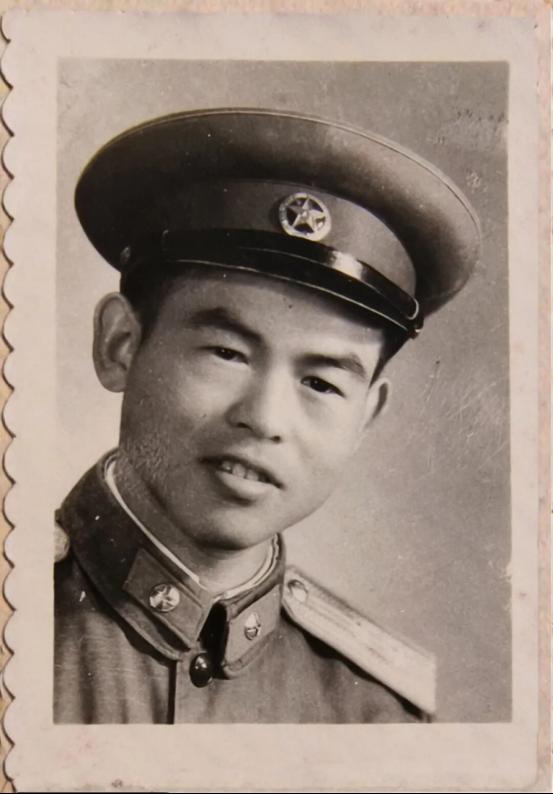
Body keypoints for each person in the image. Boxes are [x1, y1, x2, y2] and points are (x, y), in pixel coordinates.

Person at [54, 108, 480, 724]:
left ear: (366, 418)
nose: (265, 418)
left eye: (320, 383)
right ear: (120, 345)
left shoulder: (377, 712)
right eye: (227, 353)